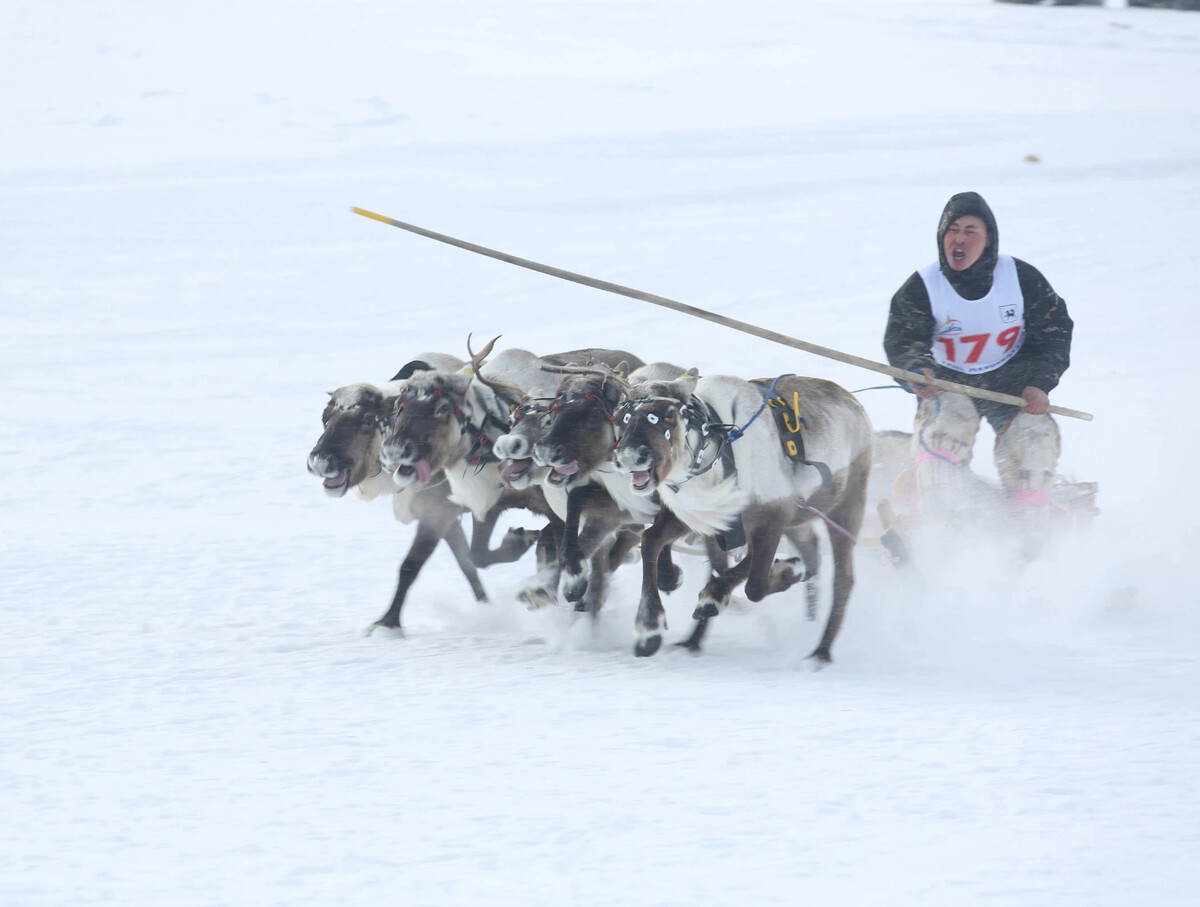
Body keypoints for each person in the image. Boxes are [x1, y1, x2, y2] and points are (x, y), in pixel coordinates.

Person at [883, 191, 1074, 523]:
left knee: (1035, 439)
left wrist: (1040, 384)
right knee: (945, 434)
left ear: (989, 239)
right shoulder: (922, 286)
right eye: (952, 230)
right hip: (947, 384)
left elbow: (1054, 331)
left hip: (1012, 384)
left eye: (970, 230)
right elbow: (903, 339)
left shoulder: (1021, 278)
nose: (959, 239)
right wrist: (914, 370)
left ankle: (1033, 529)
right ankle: (938, 524)